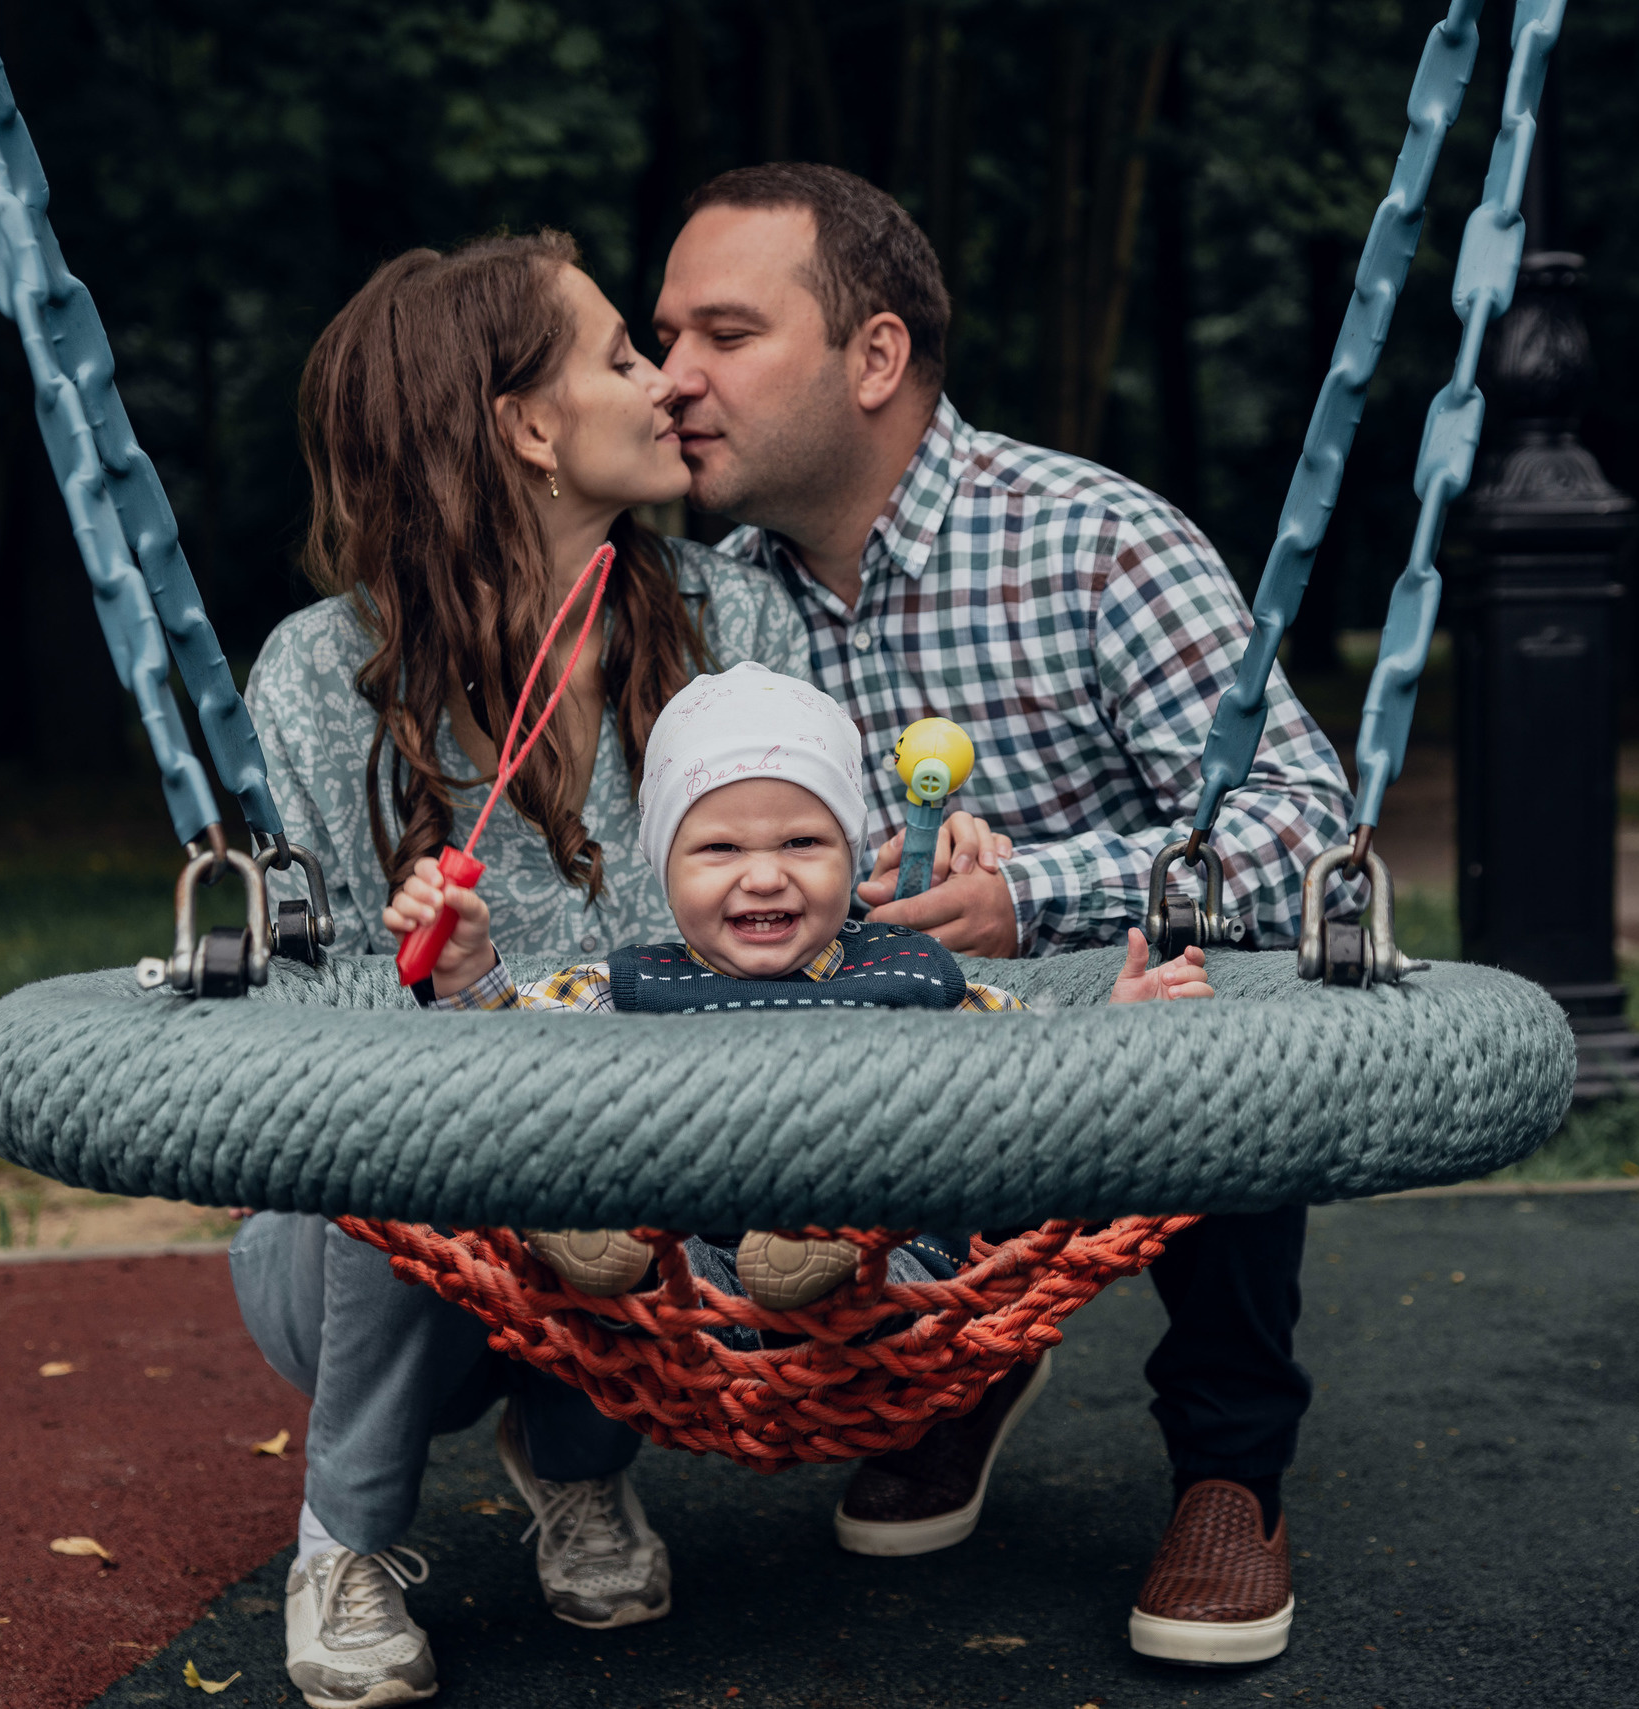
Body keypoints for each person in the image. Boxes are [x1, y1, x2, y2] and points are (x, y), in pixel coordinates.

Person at [653, 164, 1356, 1667]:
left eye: (723, 332)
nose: (674, 380)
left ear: (877, 357)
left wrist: (1029, 892)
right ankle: (943, 1360)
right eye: (663, 339)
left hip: (1118, 1047)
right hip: (881, 1076)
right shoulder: (713, 608)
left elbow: (1308, 831)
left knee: (1222, 1020)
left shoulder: (1096, 543)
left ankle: (1231, 1470)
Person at [237, 232, 808, 1709]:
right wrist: (444, 993)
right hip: (377, 1255)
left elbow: (796, 927)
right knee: (406, 1107)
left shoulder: (729, 625)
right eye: (623, 354)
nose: (669, 379)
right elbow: (301, 1038)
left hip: (646, 1218)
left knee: (647, 1139)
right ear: (529, 430)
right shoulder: (315, 676)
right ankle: (344, 1539)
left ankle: (577, 1455)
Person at [380, 661, 1215, 1311]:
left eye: (804, 842)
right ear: (663, 872)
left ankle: (826, 1238)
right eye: (719, 851)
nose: (766, 876)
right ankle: (595, 1231)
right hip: (686, 1277)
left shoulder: (911, 972)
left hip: (888, 1263)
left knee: (907, 1252)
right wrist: (464, 972)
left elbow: (1040, 1071)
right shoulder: (624, 987)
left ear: (852, 856)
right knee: (615, 1241)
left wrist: (1119, 1032)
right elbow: (505, 1067)